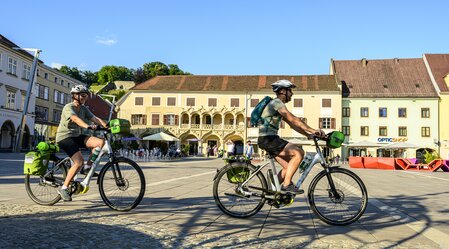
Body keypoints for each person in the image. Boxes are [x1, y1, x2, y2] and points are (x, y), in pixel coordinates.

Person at [257, 80, 325, 194]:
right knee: (299, 153)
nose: (292, 94)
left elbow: (292, 125)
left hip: (269, 139)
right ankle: (286, 184)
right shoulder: (277, 103)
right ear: (283, 91)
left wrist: (308, 135)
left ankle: (272, 193)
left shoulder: (277, 105)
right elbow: (293, 119)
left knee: (288, 167)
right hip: (268, 139)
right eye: (290, 91)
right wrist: (313, 130)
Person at [55, 85, 108, 201]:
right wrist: (87, 126)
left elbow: (95, 118)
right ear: (75, 96)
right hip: (65, 137)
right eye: (83, 95)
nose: (85, 98)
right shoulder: (68, 107)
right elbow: (75, 119)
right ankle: (64, 188)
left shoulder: (84, 109)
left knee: (100, 142)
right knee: (78, 162)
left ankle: (87, 167)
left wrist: (107, 125)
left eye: (86, 96)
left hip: (77, 136)